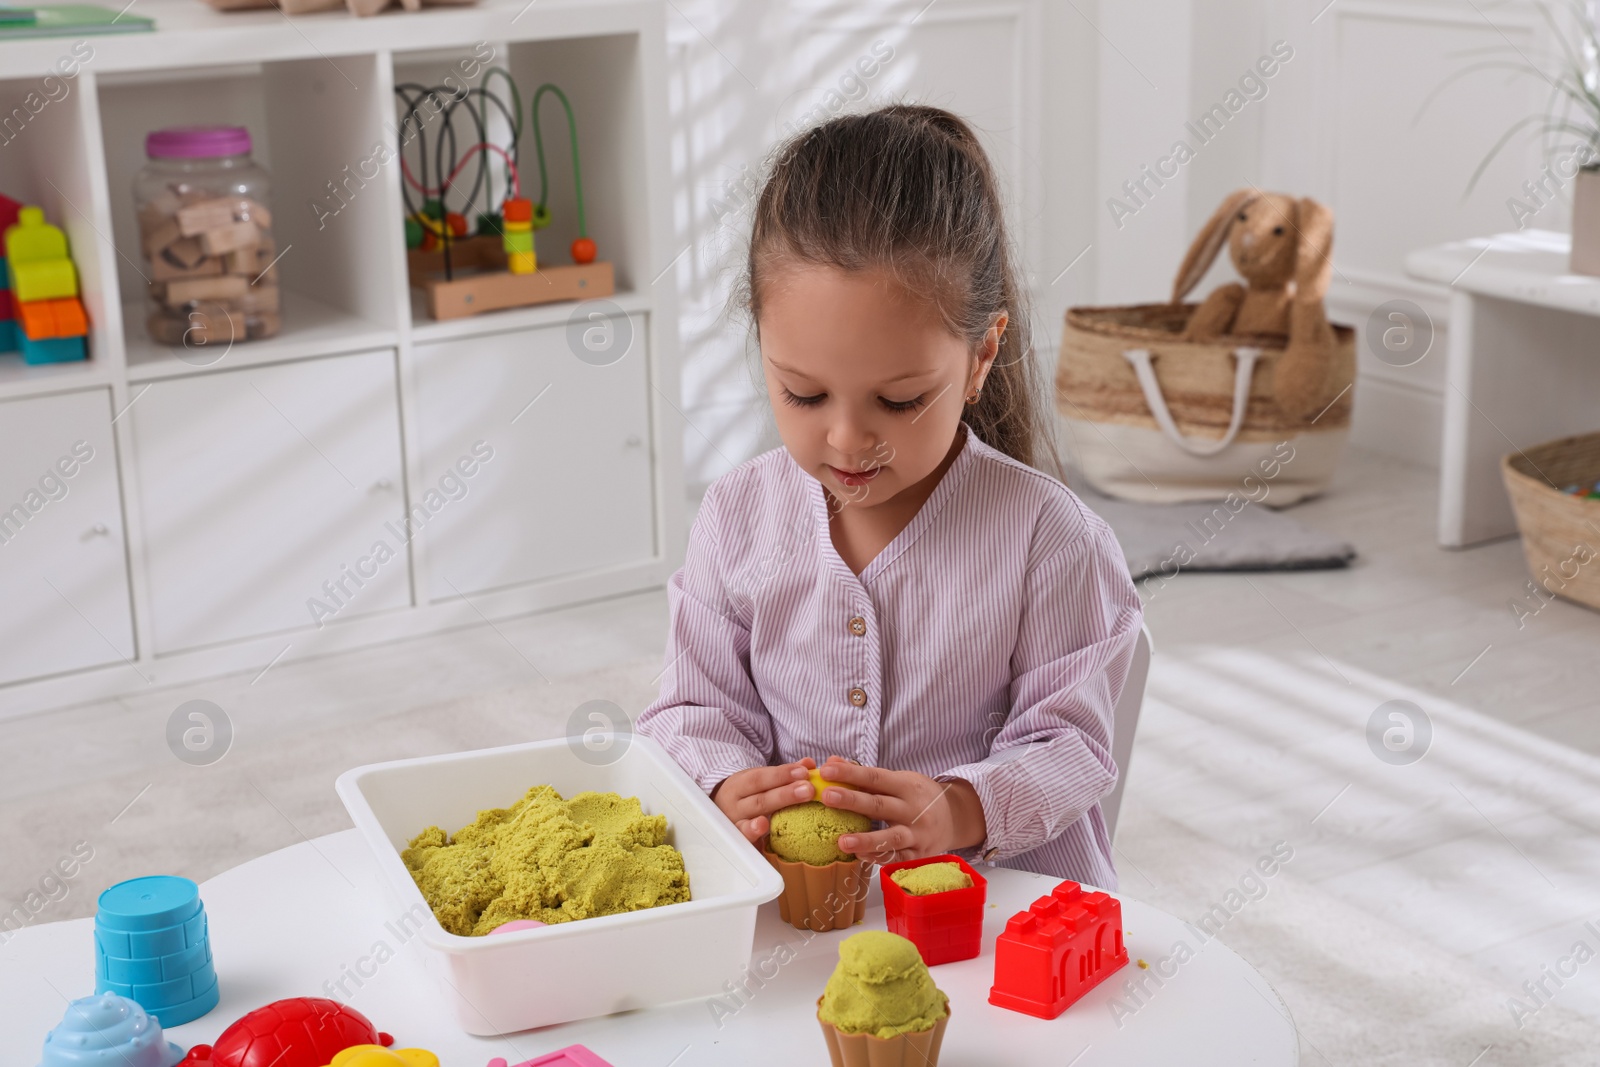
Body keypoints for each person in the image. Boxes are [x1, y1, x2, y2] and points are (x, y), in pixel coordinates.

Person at [636, 104, 1142, 886]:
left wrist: (959, 807)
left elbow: (1073, 747)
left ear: (981, 356)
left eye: (900, 401)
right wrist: (725, 782)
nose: (846, 440)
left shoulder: (1049, 537)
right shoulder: (737, 517)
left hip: (1000, 911)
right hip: (799, 904)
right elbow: (693, 710)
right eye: (803, 394)